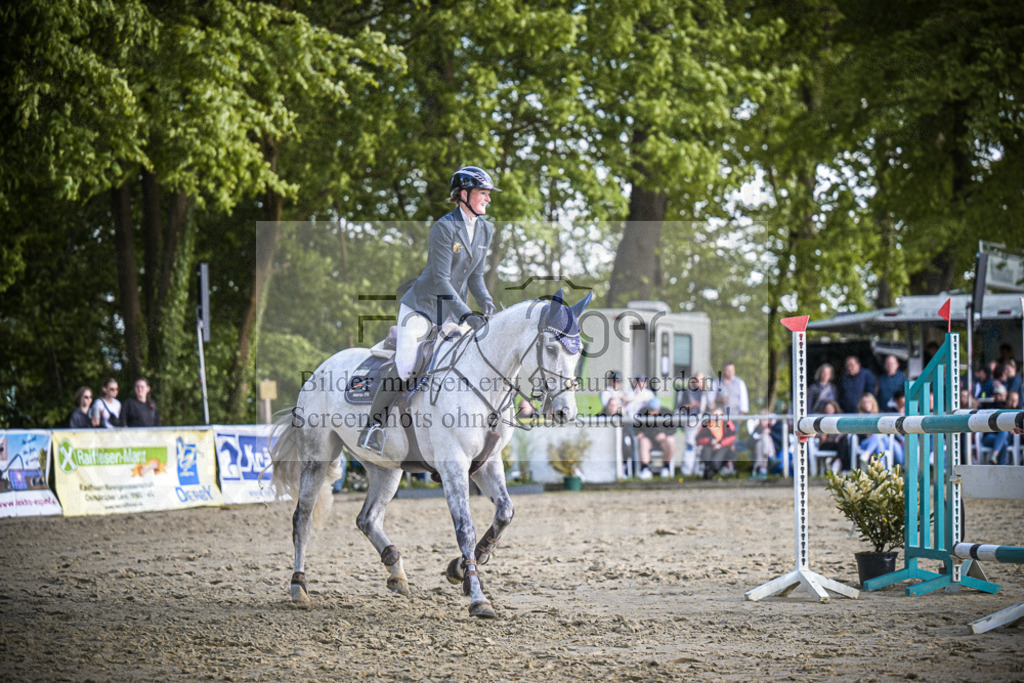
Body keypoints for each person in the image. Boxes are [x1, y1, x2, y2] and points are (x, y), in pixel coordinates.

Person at [359, 166, 500, 453]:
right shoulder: (444, 227)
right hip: (421, 309)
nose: (488, 199)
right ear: (464, 194)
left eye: (487, 194)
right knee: (407, 364)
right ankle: (372, 426)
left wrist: (486, 303)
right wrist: (466, 315)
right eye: (482, 193)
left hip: (451, 310)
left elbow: (475, 277)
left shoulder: (486, 228)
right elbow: (441, 279)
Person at [675, 371, 710, 476]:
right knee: (690, 444)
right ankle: (687, 471)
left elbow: (705, 409)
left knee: (699, 445)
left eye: (702, 380)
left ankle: (697, 471)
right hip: (691, 420)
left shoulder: (704, 393)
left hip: (701, 421)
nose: (700, 382)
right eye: (698, 379)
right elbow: (681, 407)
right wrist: (693, 405)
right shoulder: (687, 391)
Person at [635, 397, 676, 479]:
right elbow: (636, 427)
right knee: (643, 442)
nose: (651, 413)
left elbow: (673, 428)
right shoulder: (642, 412)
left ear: (659, 408)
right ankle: (645, 468)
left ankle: (666, 467)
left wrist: (664, 434)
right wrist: (639, 433)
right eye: (650, 410)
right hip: (648, 438)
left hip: (662, 440)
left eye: (654, 410)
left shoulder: (666, 412)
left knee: (670, 441)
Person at [696, 408, 737, 479]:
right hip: (709, 446)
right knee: (706, 454)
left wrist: (720, 443)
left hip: (723, 446)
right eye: (715, 415)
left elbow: (732, 437)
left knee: (716, 463)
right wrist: (710, 441)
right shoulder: (707, 424)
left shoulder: (727, 423)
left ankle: (716, 472)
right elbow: (698, 439)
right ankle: (708, 473)